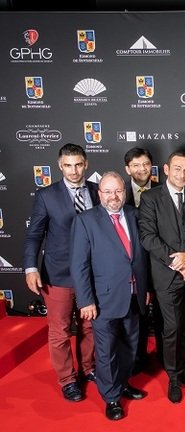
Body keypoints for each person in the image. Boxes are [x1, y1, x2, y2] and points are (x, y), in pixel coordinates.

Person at [70, 172, 149, 420]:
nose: (113, 196)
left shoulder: (135, 215)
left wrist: (147, 290)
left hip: (135, 295)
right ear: (99, 194)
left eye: (118, 191)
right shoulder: (86, 220)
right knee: (106, 352)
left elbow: (142, 258)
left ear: (124, 193)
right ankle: (111, 397)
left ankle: (123, 384)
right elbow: (79, 265)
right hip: (103, 300)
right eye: (108, 191)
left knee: (130, 345)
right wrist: (85, 300)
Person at [23, 143, 99, 402]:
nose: (74, 170)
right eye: (68, 165)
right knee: (60, 331)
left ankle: (89, 369)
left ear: (86, 163)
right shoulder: (47, 195)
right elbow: (34, 235)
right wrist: (31, 267)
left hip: (92, 272)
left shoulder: (97, 191)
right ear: (60, 166)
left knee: (90, 326)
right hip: (59, 273)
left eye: (78, 164)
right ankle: (67, 380)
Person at [138, 150, 185, 403]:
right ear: (167, 169)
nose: (183, 174)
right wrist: (178, 261)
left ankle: (184, 371)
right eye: (178, 169)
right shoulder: (150, 198)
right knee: (171, 328)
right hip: (167, 276)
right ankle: (172, 378)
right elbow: (148, 237)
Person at [123, 146, 160, 373]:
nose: (142, 169)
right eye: (136, 165)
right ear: (128, 169)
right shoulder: (119, 193)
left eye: (146, 164)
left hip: (159, 261)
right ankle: (137, 357)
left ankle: (166, 355)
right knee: (136, 313)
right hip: (131, 264)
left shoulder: (162, 190)